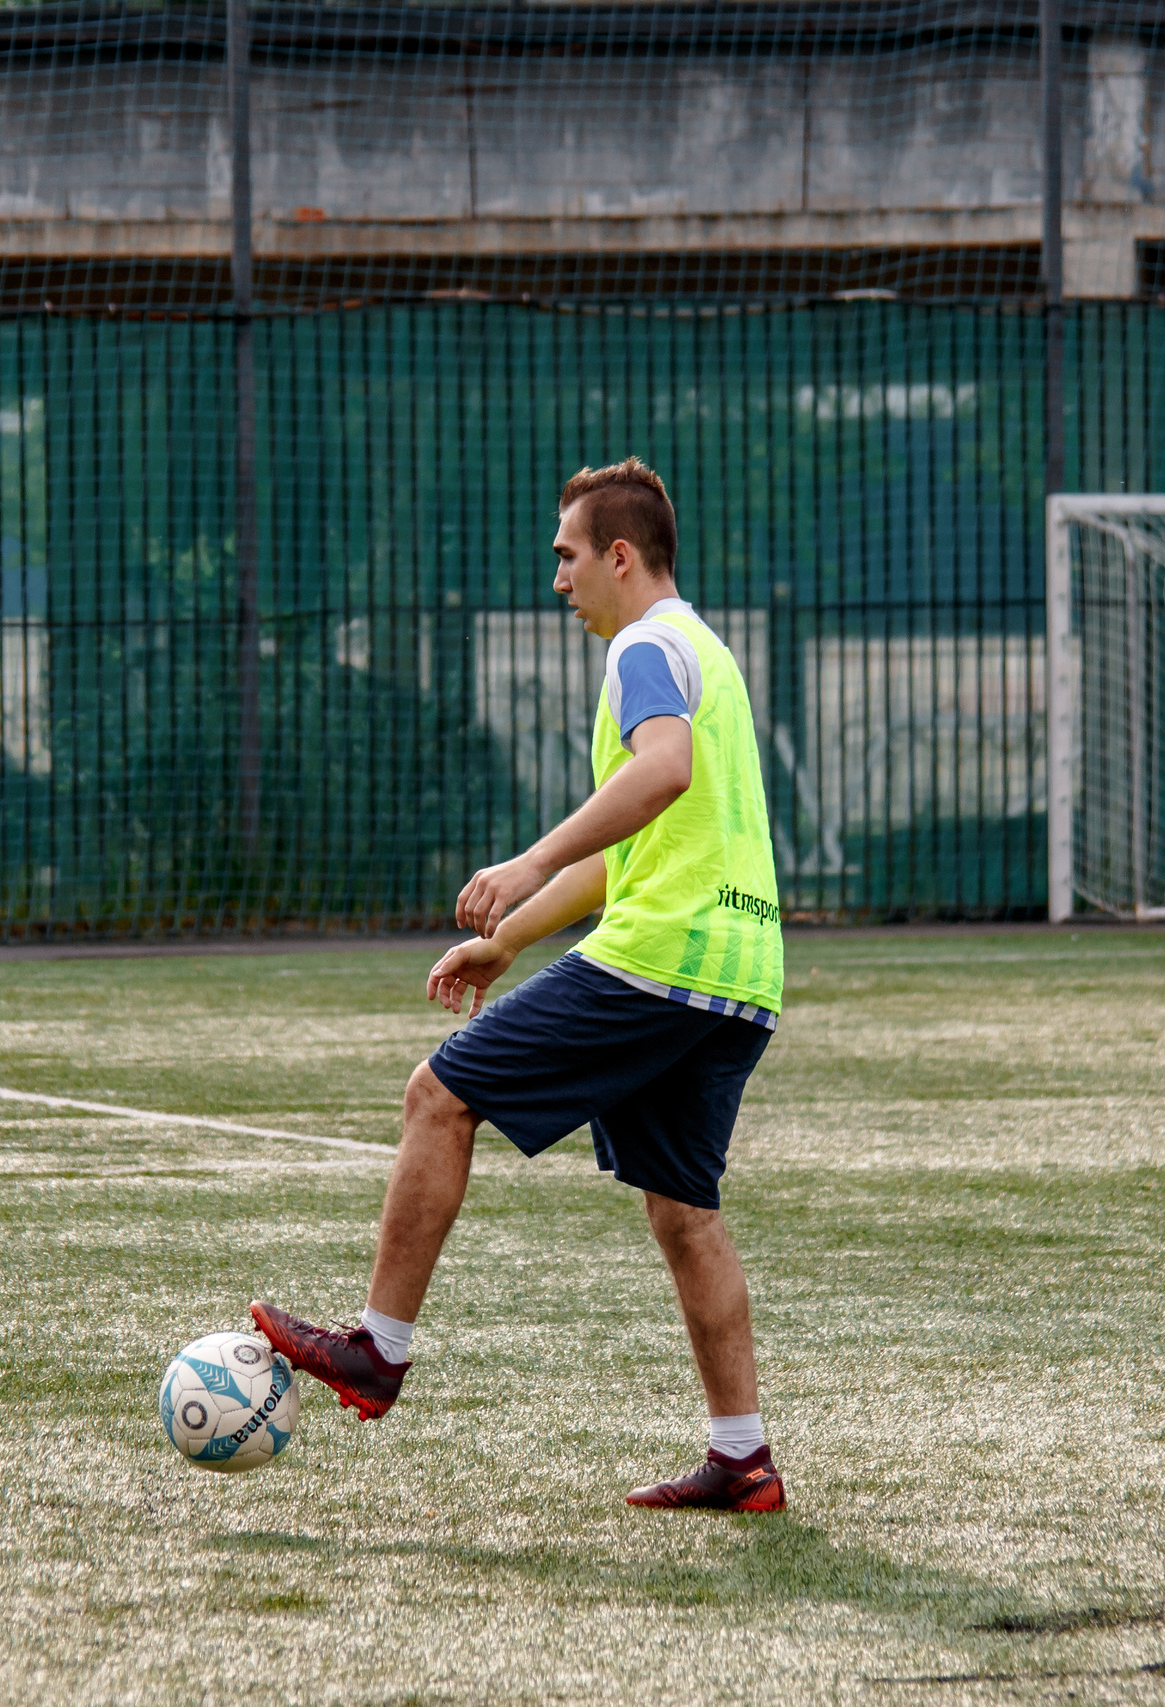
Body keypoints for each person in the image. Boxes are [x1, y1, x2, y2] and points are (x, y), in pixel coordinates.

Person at [252, 457, 788, 1512]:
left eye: (568, 555)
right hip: (741, 972)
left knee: (438, 1093)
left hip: (662, 959)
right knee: (685, 1213)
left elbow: (663, 771)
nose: (558, 579)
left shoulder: (642, 647)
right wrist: (511, 938)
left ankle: (376, 1349)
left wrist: (528, 861)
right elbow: (636, 845)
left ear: (620, 556)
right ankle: (744, 1458)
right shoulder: (705, 651)